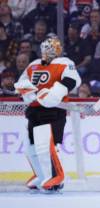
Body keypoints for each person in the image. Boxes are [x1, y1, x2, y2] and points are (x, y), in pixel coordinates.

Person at [14, 37, 81, 192]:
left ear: (58, 50)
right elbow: (22, 82)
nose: (47, 52)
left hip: (54, 110)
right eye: (45, 48)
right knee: (30, 148)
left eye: (51, 49)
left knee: (48, 146)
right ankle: (41, 174)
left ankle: (56, 177)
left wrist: (55, 94)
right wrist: (25, 91)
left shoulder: (65, 62)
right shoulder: (33, 65)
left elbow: (72, 80)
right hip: (34, 110)